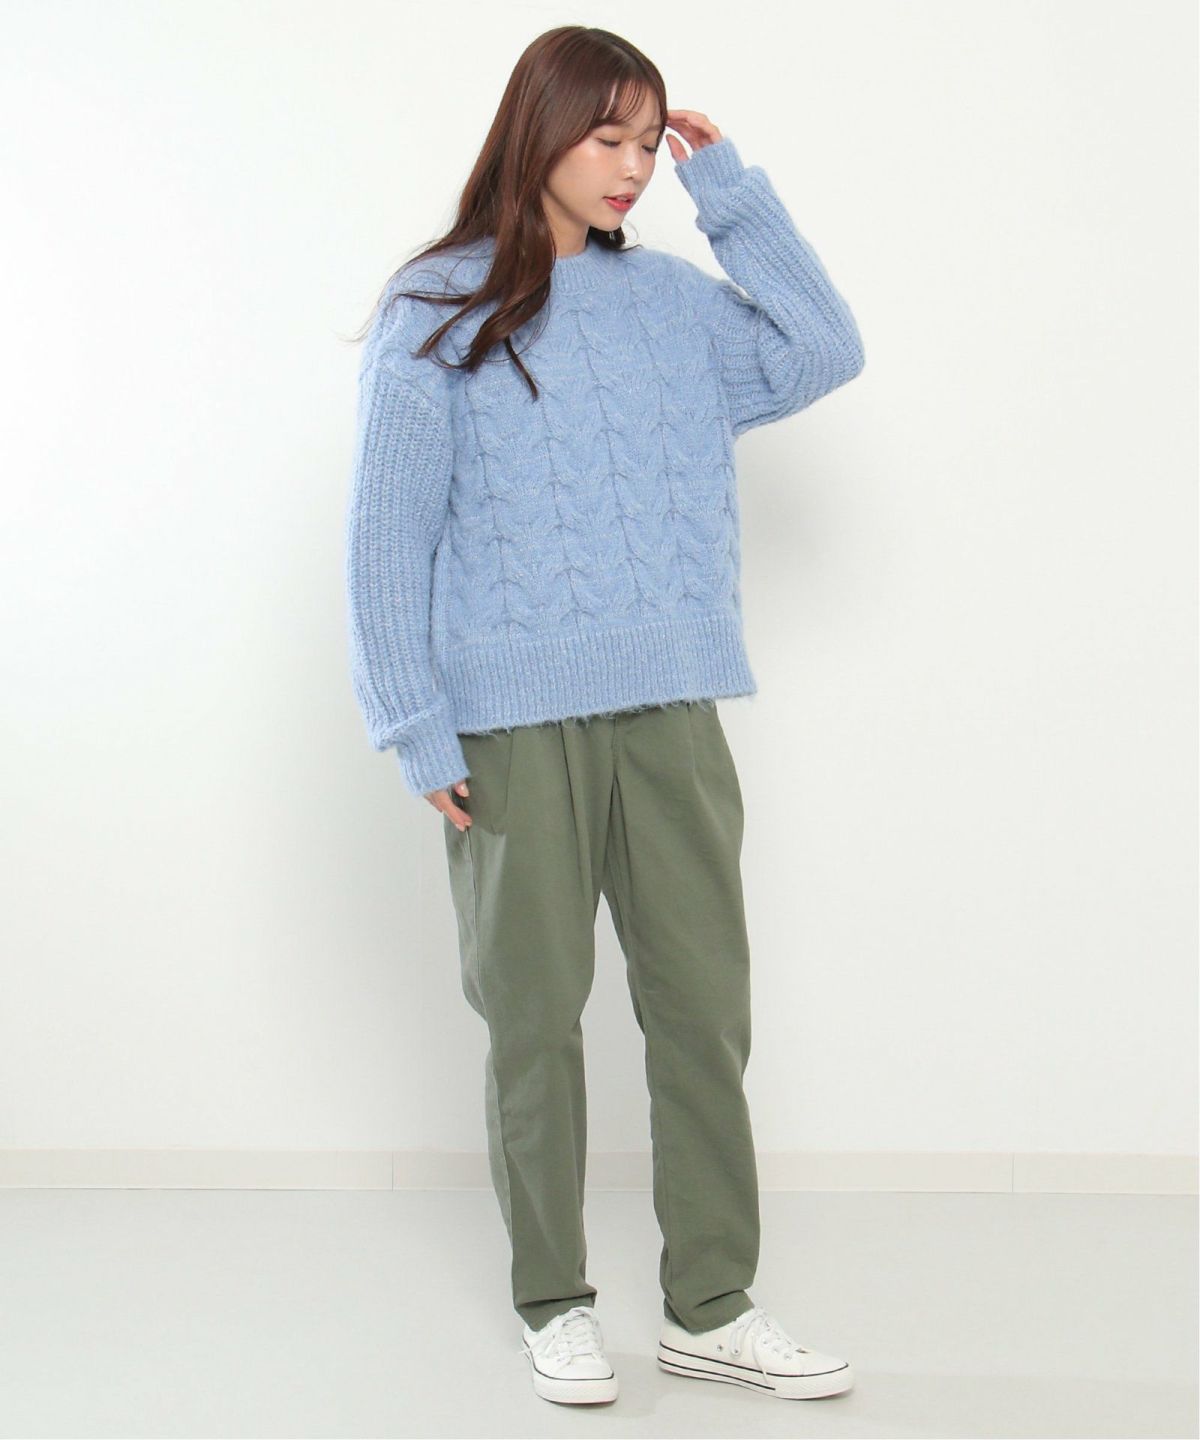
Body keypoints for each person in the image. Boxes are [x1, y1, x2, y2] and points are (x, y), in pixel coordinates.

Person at [344, 24, 864, 1408]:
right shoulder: (440, 306)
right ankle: (553, 1303)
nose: (633, 166)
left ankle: (713, 1303)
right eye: (608, 137)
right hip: (510, 726)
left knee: (703, 1013)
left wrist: (729, 192)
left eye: (647, 141)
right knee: (533, 1021)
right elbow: (388, 537)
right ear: (541, 131)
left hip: (672, 712)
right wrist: (412, 722)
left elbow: (825, 349)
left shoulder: (678, 307)